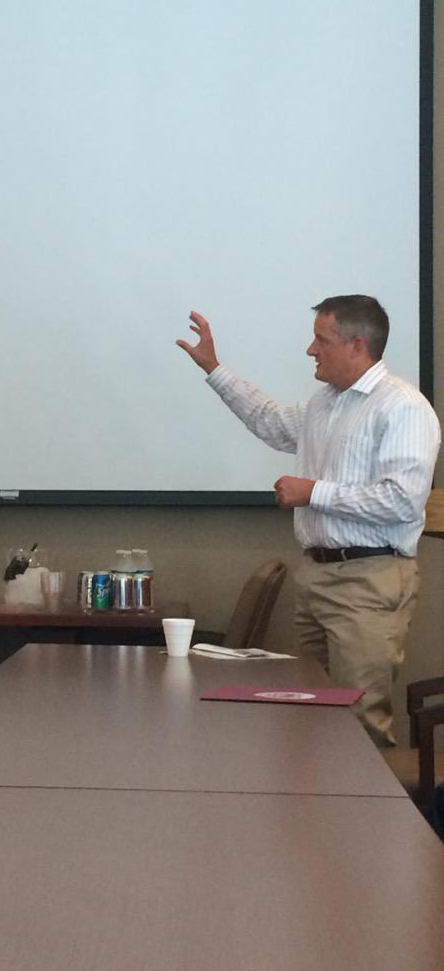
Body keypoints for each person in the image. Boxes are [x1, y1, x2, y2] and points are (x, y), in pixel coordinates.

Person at [177, 295, 440, 747]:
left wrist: (313, 492)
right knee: (313, 713)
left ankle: (363, 797)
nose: (310, 350)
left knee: (359, 720)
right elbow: (270, 421)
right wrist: (214, 369)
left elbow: (402, 501)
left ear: (356, 345)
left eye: (321, 340)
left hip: (369, 576)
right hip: (317, 574)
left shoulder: (402, 407)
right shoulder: (325, 403)